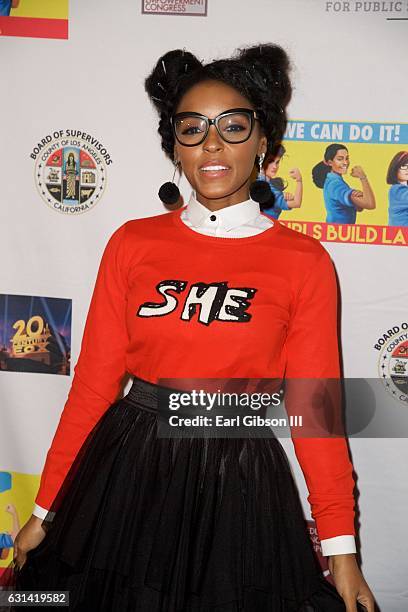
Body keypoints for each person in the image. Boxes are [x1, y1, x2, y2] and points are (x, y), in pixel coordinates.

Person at [10, 44, 375, 611]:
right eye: (191, 128)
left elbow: (315, 411)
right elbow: (92, 387)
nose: (210, 143)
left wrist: (342, 551)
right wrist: (44, 510)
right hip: (128, 474)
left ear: (263, 142)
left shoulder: (302, 261)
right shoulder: (133, 243)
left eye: (233, 126)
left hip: (239, 481)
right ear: (174, 146)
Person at [312, 144, 375, 224]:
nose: (345, 162)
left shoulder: (333, 180)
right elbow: (370, 204)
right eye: (340, 159)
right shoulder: (336, 184)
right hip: (338, 232)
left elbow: (359, 208)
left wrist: (357, 198)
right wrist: (363, 177)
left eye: (347, 158)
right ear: (330, 162)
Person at [260, 144, 303, 219]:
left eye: (277, 162)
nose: (275, 167)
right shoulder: (270, 190)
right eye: (270, 162)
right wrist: (299, 180)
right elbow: (296, 203)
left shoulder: (254, 181)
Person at [386, 150, 408, 226]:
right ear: (395, 168)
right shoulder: (396, 190)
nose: (407, 169)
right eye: (403, 166)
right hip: (400, 233)